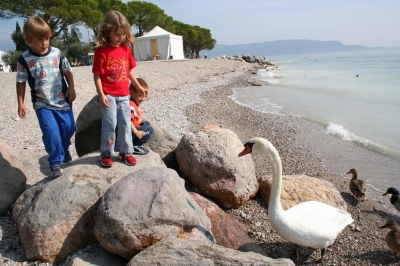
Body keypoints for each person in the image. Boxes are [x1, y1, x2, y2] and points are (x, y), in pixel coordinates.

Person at [16, 16, 76, 178]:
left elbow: (68, 72)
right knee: (51, 132)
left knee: (70, 127)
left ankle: (64, 148)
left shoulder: (57, 53)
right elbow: (20, 82)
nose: (44, 43)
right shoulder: (24, 59)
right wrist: (21, 103)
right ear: (29, 39)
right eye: (40, 39)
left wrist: (71, 87)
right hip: (42, 104)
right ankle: (55, 162)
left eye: (47, 38)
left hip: (62, 100)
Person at [93, 10, 145, 168]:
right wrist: (101, 95)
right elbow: (97, 76)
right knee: (110, 123)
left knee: (124, 123)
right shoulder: (101, 52)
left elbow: (129, 71)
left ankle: (125, 151)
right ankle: (106, 153)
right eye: (117, 34)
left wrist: (138, 86)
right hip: (108, 95)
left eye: (123, 34)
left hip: (124, 95)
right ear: (107, 32)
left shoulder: (126, 50)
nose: (120, 38)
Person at [129, 78, 154, 154]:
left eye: (145, 96)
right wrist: (136, 132)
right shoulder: (131, 105)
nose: (143, 98)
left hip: (133, 129)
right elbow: (127, 120)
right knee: (150, 130)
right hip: (131, 131)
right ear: (132, 93)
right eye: (140, 95)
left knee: (146, 123)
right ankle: (135, 146)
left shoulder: (133, 103)